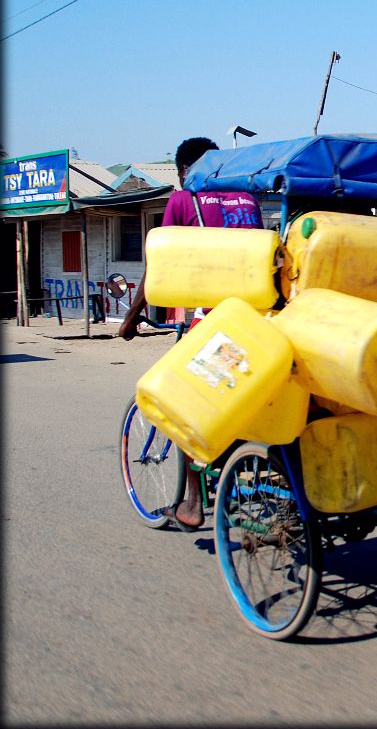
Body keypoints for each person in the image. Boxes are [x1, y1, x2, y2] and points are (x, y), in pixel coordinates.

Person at [119, 135, 264, 528]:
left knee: (186, 406)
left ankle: (193, 504)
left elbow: (161, 265)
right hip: (261, 320)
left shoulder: (185, 200)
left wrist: (133, 316)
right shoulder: (246, 198)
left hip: (215, 323)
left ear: (185, 171)